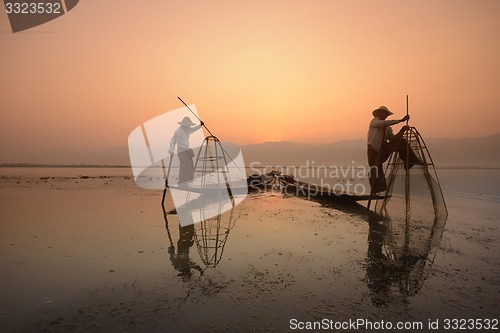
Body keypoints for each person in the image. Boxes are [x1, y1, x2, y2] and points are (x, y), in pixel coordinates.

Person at [367, 106, 421, 193]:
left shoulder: (388, 128)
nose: (385, 116)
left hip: (383, 149)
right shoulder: (374, 122)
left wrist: (401, 131)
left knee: (402, 142)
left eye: (386, 114)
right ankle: (374, 191)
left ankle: (410, 161)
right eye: (383, 113)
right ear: (379, 114)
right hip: (373, 150)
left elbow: (392, 139)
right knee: (375, 169)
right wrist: (400, 120)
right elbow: (383, 124)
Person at [169, 117, 204, 184]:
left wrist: (200, 125)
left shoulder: (188, 129)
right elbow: (173, 141)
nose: (188, 127)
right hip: (181, 150)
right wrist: (172, 150)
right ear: (184, 125)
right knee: (184, 166)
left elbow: (194, 129)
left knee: (189, 166)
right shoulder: (178, 131)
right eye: (187, 125)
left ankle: (186, 182)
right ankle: (181, 182)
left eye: (189, 126)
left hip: (186, 149)